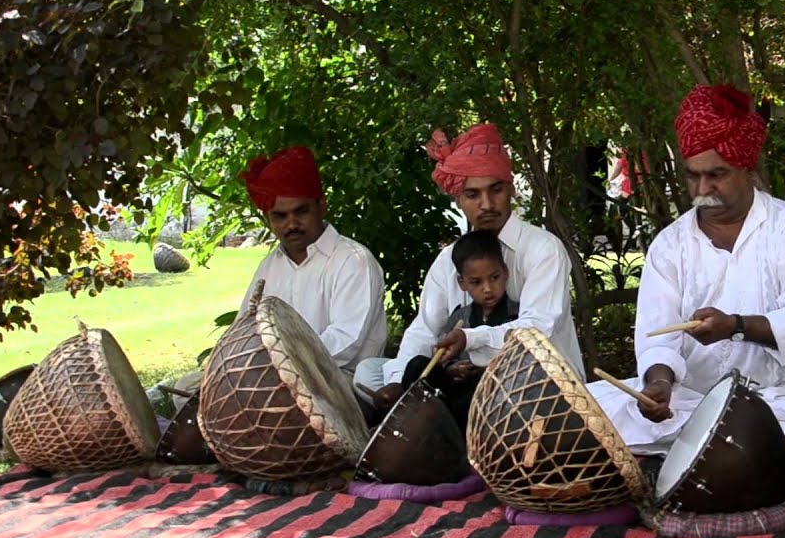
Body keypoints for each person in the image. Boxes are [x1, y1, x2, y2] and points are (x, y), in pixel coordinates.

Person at [589, 84, 785, 467]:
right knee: (591, 411)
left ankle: (703, 452)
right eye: (693, 176)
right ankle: (713, 449)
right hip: (690, 402)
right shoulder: (670, 246)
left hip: (777, 402)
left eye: (717, 175)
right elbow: (656, 338)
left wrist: (735, 326)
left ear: (747, 168)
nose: (703, 190)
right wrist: (659, 385)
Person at [353, 123, 583, 413]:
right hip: (461, 382)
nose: (486, 204)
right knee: (370, 372)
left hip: (536, 382)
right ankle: (423, 411)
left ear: (510, 189)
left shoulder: (543, 249)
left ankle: (432, 420)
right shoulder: (448, 260)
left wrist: (470, 339)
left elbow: (535, 334)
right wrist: (400, 380)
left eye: (495, 190)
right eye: (473, 195)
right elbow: (425, 331)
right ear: (459, 200)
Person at [238, 145, 388, 375]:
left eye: (301, 211)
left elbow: (346, 341)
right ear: (268, 219)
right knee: (190, 387)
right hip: (277, 375)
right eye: (280, 216)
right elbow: (244, 329)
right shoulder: (269, 267)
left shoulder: (353, 260)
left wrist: (279, 363)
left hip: (339, 383)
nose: (291, 224)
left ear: (321, 206)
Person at [398, 228, 519, 430]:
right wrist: (451, 369)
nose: (487, 288)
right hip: (455, 390)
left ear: (505, 273)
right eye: (476, 282)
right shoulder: (459, 317)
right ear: (462, 283)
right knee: (417, 365)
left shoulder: (516, 316)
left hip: (493, 396)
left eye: (494, 278)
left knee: (469, 400)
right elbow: (444, 358)